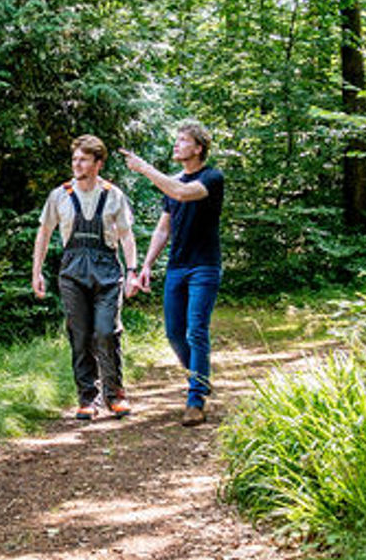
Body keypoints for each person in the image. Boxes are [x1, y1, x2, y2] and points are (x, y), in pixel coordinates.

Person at [119, 122, 224, 426]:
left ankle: (195, 400)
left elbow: (182, 193)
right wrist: (146, 265)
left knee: (196, 331)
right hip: (177, 266)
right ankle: (199, 378)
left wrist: (144, 169)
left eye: (183, 141)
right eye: (176, 140)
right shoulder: (173, 181)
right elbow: (163, 228)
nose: (176, 145)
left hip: (204, 266)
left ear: (199, 148)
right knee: (174, 334)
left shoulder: (212, 178)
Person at [31, 135, 140, 421]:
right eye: (74, 159)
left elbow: (127, 236)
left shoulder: (113, 194)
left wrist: (132, 272)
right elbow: (44, 234)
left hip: (107, 271)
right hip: (72, 271)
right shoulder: (60, 195)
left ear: (98, 163)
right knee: (79, 336)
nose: (76, 164)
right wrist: (37, 272)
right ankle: (87, 399)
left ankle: (115, 394)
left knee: (105, 331)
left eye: (83, 159)